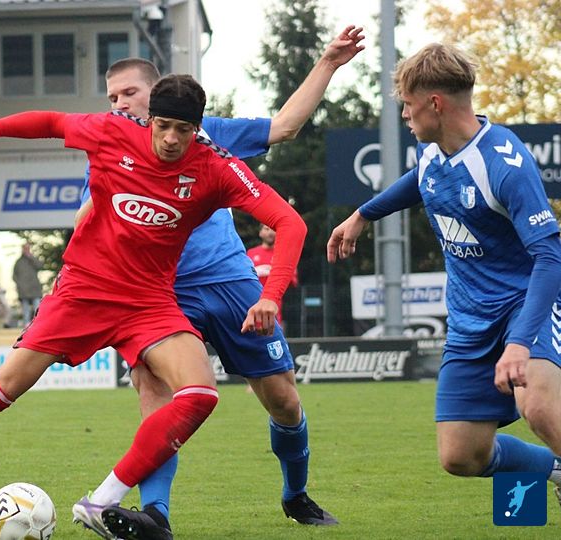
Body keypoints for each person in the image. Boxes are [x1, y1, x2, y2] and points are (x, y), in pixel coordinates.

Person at [0, 74, 306, 538]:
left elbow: (290, 223)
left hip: (149, 301)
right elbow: (51, 122)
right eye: (163, 126)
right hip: (83, 291)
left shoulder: (216, 167)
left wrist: (271, 295)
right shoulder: (112, 131)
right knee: (5, 388)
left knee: (200, 393)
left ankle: (101, 502)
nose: (170, 139)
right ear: (150, 119)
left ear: (196, 128)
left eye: (183, 130)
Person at [76, 26, 364, 538]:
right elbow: (87, 222)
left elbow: (285, 127)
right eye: (111, 97)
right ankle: (155, 515)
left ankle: (295, 494)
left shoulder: (205, 134)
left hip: (230, 282)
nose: (118, 104)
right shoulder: (110, 148)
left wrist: (328, 63)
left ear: (156, 93)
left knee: (282, 400)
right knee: (154, 393)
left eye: (127, 93)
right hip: (161, 294)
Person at [327, 42, 561, 514]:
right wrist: (363, 214)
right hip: (469, 320)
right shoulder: (434, 151)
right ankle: (554, 471)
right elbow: (420, 180)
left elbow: (551, 256)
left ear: (435, 104)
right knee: (461, 455)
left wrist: (519, 343)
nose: (404, 116)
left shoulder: (503, 163)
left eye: (408, 105)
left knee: (537, 407)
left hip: (523, 307)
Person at [247, 224, 299, 325]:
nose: (270, 232)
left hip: (273, 307)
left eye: (273, 229)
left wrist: (277, 273)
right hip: (251, 305)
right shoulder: (250, 253)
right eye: (266, 229)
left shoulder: (283, 254)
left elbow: (293, 282)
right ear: (260, 232)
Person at [12, 242, 43, 326]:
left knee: (37, 307)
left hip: (34, 288)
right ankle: (26, 324)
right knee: (25, 309)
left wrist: (31, 257)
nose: (26, 250)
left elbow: (40, 266)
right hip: (23, 290)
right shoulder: (18, 262)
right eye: (25, 248)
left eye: (28, 248)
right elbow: (14, 276)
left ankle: (38, 323)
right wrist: (20, 284)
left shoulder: (33, 259)